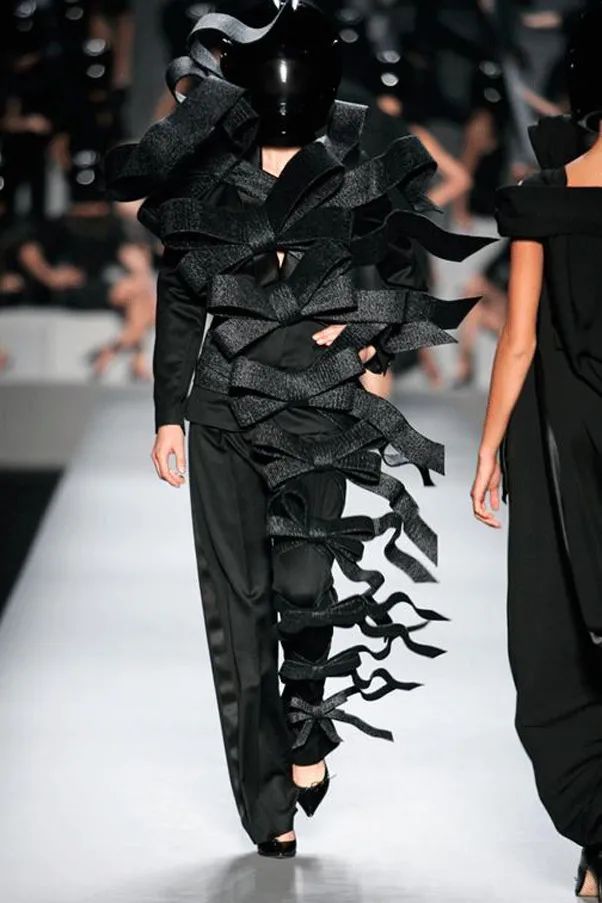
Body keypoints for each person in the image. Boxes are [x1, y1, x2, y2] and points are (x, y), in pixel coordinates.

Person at [107, 0, 491, 858]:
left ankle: (308, 727)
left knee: (306, 582)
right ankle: (266, 802)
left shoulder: (354, 164)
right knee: (236, 608)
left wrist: (370, 335)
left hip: (318, 407)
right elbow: (180, 295)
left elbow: (398, 272)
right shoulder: (210, 172)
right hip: (220, 411)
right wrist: (168, 412)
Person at [471, 6, 602, 897]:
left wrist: (490, 448)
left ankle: (600, 843)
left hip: (569, 449)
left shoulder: (542, 198)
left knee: (567, 631)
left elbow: (517, 342)